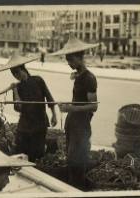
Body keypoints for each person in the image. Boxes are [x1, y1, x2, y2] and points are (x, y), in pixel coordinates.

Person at [50, 35, 98, 191]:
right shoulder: (79, 76)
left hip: (81, 126)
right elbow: (79, 100)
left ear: (79, 57)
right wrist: (69, 106)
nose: (69, 64)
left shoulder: (89, 78)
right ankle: (72, 188)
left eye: (70, 60)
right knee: (72, 160)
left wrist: (71, 108)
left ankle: (77, 190)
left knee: (78, 162)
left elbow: (93, 106)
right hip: (73, 123)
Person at [0, 53, 57, 162]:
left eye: (17, 72)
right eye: (14, 74)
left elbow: (49, 98)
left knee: (37, 154)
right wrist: (15, 91)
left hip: (40, 122)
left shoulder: (38, 80)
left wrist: (54, 115)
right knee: (20, 153)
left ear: (23, 69)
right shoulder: (18, 87)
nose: (16, 75)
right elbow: (18, 107)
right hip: (25, 125)